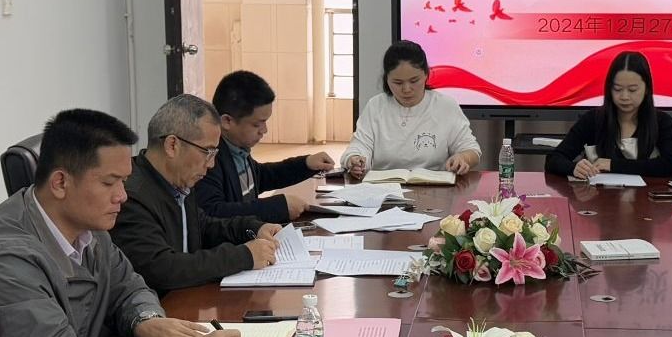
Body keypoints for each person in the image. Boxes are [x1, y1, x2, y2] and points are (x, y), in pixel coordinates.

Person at [0, 108, 242, 337]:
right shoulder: (4, 256)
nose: (122, 196)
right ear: (60, 183)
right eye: (110, 183)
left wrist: (146, 320)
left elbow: (130, 286)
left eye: (124, 181)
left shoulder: (87, 225)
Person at [112, 94, 284, 295]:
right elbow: (161, 268)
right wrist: (244, 256)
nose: (211, 164)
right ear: (172, 145)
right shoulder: (130, 196)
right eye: (207, 152)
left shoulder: (178, 180)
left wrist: (253, 228)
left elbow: (202, 226)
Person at [196, 70, 336, 224]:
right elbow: (213, 212)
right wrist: (277, 207)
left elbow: (261, 177)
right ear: (227, 121)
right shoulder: (208, 161)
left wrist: (306, 164)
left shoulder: (237, 149)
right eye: (257, 124)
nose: (264, 130)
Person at [340, 41, 481, 178]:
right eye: (398, 83)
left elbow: (471, 149)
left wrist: (463, 158)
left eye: (414, 81)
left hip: (435, 188)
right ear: (387, 79)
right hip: (384, 188)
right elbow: (359, 145)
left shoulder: (446, 106)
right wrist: (355, 159)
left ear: (426, 74)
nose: (406, 89)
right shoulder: (376, 106)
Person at [544, 51, 672, 180]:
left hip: (647, 196)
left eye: (632, 90)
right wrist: (573, 168)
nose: (624, 96)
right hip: (599, 197)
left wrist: (613, 165)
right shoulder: (593, 119)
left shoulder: (662, 122)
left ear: (647, 89)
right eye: (617, 89)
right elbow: (554, 159)